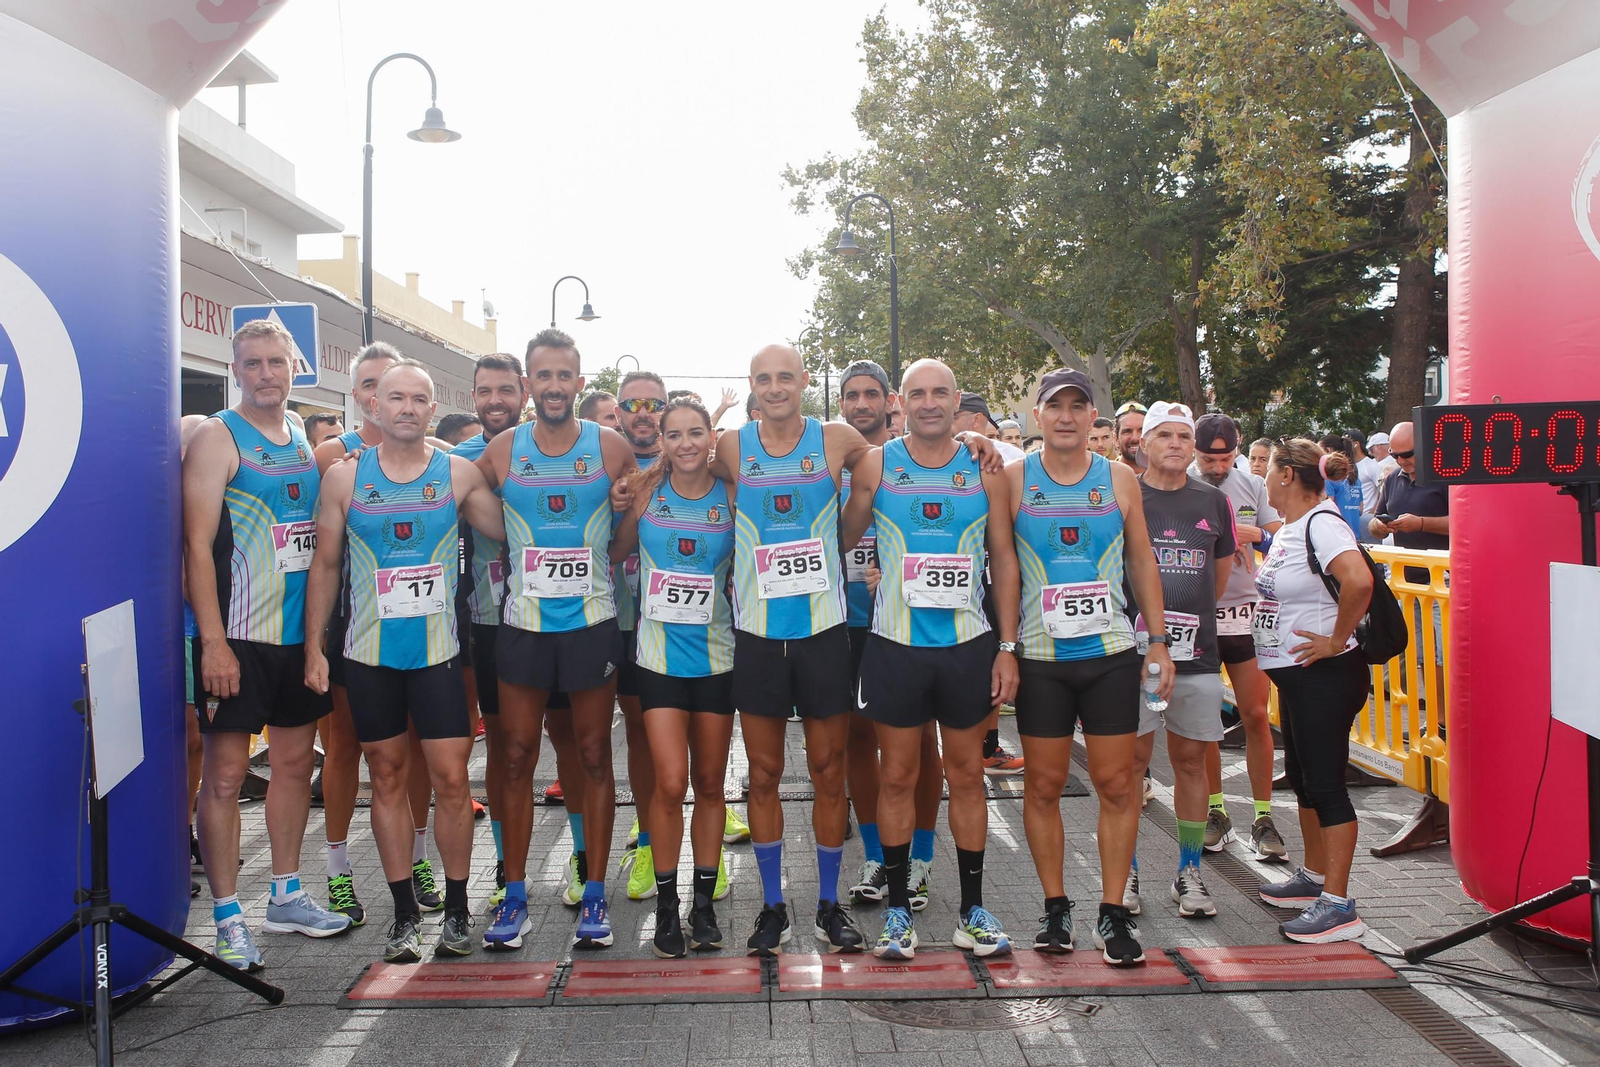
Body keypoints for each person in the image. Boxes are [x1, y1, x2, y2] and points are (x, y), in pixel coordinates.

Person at [704, 344, 1001, 956]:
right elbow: (679, 461)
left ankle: (831, 906)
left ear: (804, 381)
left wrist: (976, 442)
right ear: (751, 385)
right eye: (764, 378)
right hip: (757, 636)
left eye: (786, 376)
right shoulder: (731, 447)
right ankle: (771, 907)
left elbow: (909, 458)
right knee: (762, 775)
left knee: (829, 770)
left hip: (825, 633)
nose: (776, 387)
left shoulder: (838, 439)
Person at [304, 361, 507, 962]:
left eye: (420, 399)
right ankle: (402, 916)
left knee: (450, 780)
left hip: (439, 655)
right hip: (368, 656)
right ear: (374, 405)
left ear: (430, 407)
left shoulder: (457, 473)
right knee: (386, 779)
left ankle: (458, 908)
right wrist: (314, 647)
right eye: (397, 398)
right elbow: (325, 566)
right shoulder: (344, 479)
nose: (408, 409)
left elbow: (510, 529)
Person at [183, 320, 351, 971]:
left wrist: (313, 645)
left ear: (294, 366)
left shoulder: (305, 447)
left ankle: (284, 894)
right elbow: (195, 546)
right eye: (252, 363)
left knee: (291, 765)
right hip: (237, 639)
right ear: (235, 367)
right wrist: (213, 643)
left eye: (275, 361)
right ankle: (227, 917)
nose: (265, 373)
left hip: (290, 641)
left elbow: (311, 550)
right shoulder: (218, 438)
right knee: (225, 777)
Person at [842, 358, 1020, 960]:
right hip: (894, 646)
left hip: (968, 646)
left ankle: (972, 910)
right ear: (900, 402)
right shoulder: (877, 464)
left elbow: (1005, 559)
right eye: (916, 393)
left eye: (940, 392)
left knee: (967, 775)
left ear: (956, 401)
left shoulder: (985, 466)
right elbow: (840, 535)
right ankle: (897, 911)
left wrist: (1008, 646)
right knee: (898, 775)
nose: (928, 403)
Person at [474, 329, 638, 951]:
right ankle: (513, 895)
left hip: (592, 624)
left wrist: (619, 526)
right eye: (541, 377)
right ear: (527, 385)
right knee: (515, 757)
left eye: (563, 376)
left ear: (578, 379)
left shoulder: (611, 446)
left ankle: (594, 893)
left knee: (594, 758)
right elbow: (450, 478)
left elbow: (644, 499)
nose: (552, 387)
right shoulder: (502, 448)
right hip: (523, 627)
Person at [1010, 369, 1172, 966]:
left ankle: (1112, 911)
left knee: (1116, 783)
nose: (1067, 417)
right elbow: (1000, 562)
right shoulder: (1012, 478)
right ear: (1038, 414)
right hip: (1042, 657)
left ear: (1093, 419)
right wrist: (1004, 647)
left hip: (1108, 657)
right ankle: (1055, 909)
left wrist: (1157, 641)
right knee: (1045, 785)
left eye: (1080, 407)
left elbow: (1142, 561)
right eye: (1057, 406)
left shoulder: (1120, 478)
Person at [312, 343, 446, 923]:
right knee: (345, 746)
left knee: (414, 747)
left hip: (422, 625)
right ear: (361, 394)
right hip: (353, 625)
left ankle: (418, 856)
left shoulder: (437, 458)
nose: (379, 396)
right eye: (370, 386)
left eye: (390, 387)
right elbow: (320, 556)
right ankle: (338, 869)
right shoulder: (333, 460)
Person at [607, 398, 738, 956]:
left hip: (717, 658)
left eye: (695, 432)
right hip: (658, 657)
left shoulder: (731, 493)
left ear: (711, 437)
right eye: (674, 434)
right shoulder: (646, 493)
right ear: (660, 441)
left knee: (710, 785)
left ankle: (702, 905)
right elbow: (615, 551)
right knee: (668, 784)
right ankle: (666, 904)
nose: (685, 443)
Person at [834, 361, 945, 910]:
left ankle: (920, 858)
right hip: (845, 621)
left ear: (890, 402)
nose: (860, 404)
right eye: (851, 395)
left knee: (919, 742)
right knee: (858, 737)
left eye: (870, 394)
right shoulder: (830, 464)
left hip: (908, 623)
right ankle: (879, 856)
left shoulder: (916, 456)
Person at [1254, 440, 1374, 943]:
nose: (1261, 476)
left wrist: (1336, 639)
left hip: (1326, 677)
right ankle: (1314, 877)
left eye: (1268, 467)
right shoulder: (1292, 529)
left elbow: (1359, 581)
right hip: (1297, 679)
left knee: (1326, 786)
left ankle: (1340, 905)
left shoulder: (1323, 524)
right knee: (1304, 780)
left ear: (1286, 475)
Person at [1126, 403, 1236, 921]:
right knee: (1129, 766)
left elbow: (1216, 577)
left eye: (1184, 436)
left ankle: (1189, 873)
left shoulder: (1213, 502)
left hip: (1196, 657)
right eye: (1164, 435)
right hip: (1133, 655)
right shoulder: (1126, 494)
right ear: (1143, 443)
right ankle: (1124, 872)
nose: (1175, 443)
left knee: (1192, 764)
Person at [1189, 413, 1286, 861]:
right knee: (1206, 723)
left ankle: (1264, 818)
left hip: (1245, 616)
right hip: (1201, 616)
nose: (1219, 467)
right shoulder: (1181, 483)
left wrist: (1255, 533)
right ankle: (1216, 812)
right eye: (1210, 459)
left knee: (1255, 714)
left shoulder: (1252, 482)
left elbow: (1280, 533)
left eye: (1226, 458)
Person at [450, 354, 526, 908]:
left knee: (577, 746)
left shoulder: (557, 451)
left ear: (523, 391)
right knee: (503, 750)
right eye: (484, 391)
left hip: (563, 621)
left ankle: (580, 858)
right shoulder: (459, 461)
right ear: (472, 396)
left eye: (505, 389)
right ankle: (505, 861)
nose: (494, 400)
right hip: (490, 624)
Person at [1318, 435, 1365, 540]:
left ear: (1328, 450)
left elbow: (1328, 509)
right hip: (1354, 535)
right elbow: (1360, 509)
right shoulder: (1355, 478)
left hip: (1338, 537)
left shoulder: (1329, 479)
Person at [1114, 401, 1147, 471]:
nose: (1135, 438)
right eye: (1127, 431)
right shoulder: (1103, 477)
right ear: (1116, 439)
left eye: (1141, 431)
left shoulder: (1168, 475)